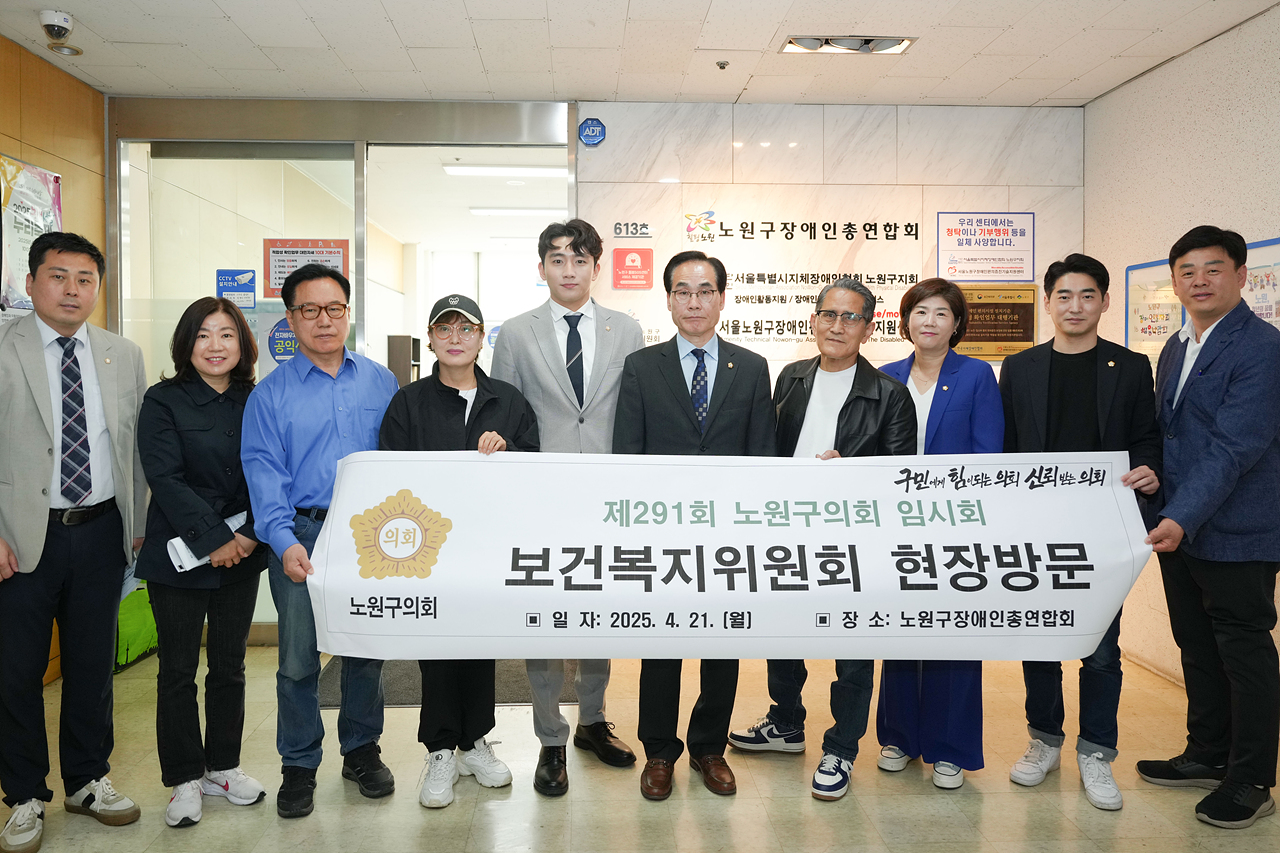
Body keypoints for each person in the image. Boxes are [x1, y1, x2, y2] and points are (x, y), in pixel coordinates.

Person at [728, 276, 915, 802]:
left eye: (850, 317)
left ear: (869, 328)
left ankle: (841, 747)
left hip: (853, 540)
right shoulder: (791, 378)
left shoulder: (889, 394)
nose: (837, 326)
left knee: (852, 648)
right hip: (787, 531)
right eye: (829, 315)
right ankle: (786, 723)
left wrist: (848, 470)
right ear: (813, 320)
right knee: (783, 635)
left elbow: (899, 479)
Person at [0, 232, 148, 853]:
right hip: (20, 538)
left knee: (92, 667)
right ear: (32, 281)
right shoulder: (4, 348)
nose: (72, 290)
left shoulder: (122, 353)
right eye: (58, 276)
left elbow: (134, 445)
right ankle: (24, 794)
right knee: (16, 671)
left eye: (85, 279)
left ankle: (87, 780)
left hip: (101, 532)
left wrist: (138, 523)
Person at [1000, 253, 1161, 811]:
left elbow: (1146, 437)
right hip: (1037, 526)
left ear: (1105, 302)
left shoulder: (1131, 366)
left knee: (1102, 648)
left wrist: (1149, 467)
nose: (1075, 306)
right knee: (1040, 638)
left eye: (1088, 295)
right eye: (1064, 296)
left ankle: (1096, 751)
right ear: (1047, 302)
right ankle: (1044, 739)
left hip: (1104, 529)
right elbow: (1007, 447)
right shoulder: (1019, 366)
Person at [613, 250, 775, 801]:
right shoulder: (642, 366)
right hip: (662, 533)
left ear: (722, 299)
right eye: (683, 291)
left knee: (721, 643)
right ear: (668, 300)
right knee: (661, 646)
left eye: (705, 291)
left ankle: (709, 748)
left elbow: (762, 455)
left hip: (728, 535)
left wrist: (753, 531)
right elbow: (628, 453)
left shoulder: (751, 367)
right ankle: (660, 751)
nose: (694, 302)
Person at [241, 263, 400, 818]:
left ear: (347, 313)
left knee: (365, 650)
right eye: (310, 310)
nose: (324, 320)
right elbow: (264, 473)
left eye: (334, 309)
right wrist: (283, 540)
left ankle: (361, 750)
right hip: (301, 533)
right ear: (291, 319)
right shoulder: (269, 395)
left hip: (370, 535)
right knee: (297, 660)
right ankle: (299, 764)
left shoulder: (381, 381)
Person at [490, 219, 643, 796]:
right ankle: (550, 736)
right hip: (541, 496)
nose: (569, 270)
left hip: (608, 495)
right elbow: (504, 410)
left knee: (602, 613)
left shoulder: (627, 329)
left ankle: (593, 721)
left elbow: (636, 409)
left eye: (580, 259)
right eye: (558, 259)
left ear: (596, 267)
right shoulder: (516, 333)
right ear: (542, 268)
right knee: (546, 616)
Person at [1138, 226, 1280, 829]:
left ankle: (1251, 779)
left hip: (1239, 530)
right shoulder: (1177, 346)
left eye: (1213, 269)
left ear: (1241, 275)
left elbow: (1234, 447)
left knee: (1244, 653)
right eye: (1187, 271)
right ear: (1174, 282)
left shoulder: (1262, 347)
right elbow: (1171, 433)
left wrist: (1180, 515)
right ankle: (1207, 752)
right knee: (1196, 644)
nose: (1199, 281)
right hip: (1182, 526)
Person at [381, 294, 538, 809]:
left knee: (479, 643)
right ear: (429, 339)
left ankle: (474, 742)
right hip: (428, 550)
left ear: (481, 337)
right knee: (437, 648)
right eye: (443, 329)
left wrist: (508, 452)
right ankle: (440, 749)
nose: (455, 338)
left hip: (489, 546)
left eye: (465, 329)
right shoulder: (409, 402)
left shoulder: (507, 400)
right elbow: (390, 472)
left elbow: (535, 464)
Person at [134, 297, 268, 828]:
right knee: (178, 670)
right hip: (180, 556)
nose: (215, 346)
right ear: (186, 343)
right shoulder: (163, 400)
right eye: (203, 335)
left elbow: (271, 470)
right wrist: (215, 539)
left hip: (243, 553)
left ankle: (223, 767)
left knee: (230, 666)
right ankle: (185, 777)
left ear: (243, 344)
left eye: (227, 334)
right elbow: (164, 477)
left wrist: (250, 535)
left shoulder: (257, 399)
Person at [873, 278, 1003, 790]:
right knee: (901, 626)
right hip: (896, 523)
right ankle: (899, 737)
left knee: (954, 631)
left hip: (956, 523)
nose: (929, 321)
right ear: (905, 320)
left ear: (957, 324)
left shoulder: (976, 375)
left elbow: (988, 454)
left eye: (941, 313)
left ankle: (950, 748)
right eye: (920, 311)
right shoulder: (885, 375)